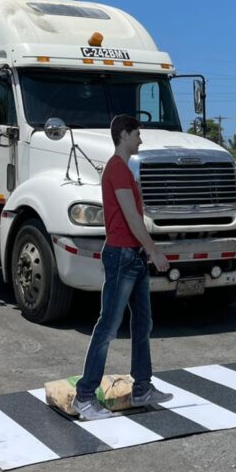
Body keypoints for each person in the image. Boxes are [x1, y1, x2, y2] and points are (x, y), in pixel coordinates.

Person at [72, 114, 173, 421]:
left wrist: (145, 249)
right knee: (107, 328)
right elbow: (130, 217)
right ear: (125, 134)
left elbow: (135, 217)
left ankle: (142, 387)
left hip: (134, 257)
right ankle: (85, 397)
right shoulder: (116, 169)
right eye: (138, 134)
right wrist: (155, 251)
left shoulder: (125, 170)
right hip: (121, 257)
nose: (141, 140)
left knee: (143, 324)